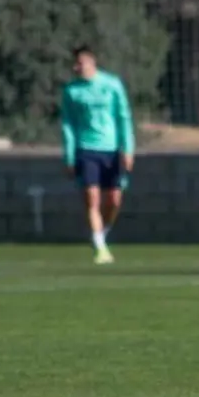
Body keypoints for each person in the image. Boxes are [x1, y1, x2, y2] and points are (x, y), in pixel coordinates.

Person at [60, 45, 135, 264]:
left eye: (80, 63)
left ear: (91, 62)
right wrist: (69, 157)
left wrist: (128, 149)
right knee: (92, 198)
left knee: (114, 199)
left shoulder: (112, 85)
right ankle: (101, 248)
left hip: (111, 150)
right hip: (86, 149)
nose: (76, 67)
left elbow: (124, 117)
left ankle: (102, 232)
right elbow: (68, 125)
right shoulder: (71, 91)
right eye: (74, 64)